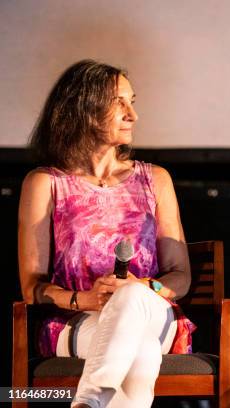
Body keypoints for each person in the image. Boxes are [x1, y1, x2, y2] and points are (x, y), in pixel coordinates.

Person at [18, 60, 194, 408]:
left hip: (154, 314)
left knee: (131, 300)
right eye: (119, 102)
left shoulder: (155, 179)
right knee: (140, 350)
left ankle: (89, 400)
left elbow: (182, 276)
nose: (133, 115)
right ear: (83, 109)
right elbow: (31, 286)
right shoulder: (45, 183)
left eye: (133, 101)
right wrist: (82, 299)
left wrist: (143, 287)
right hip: (78, 320)